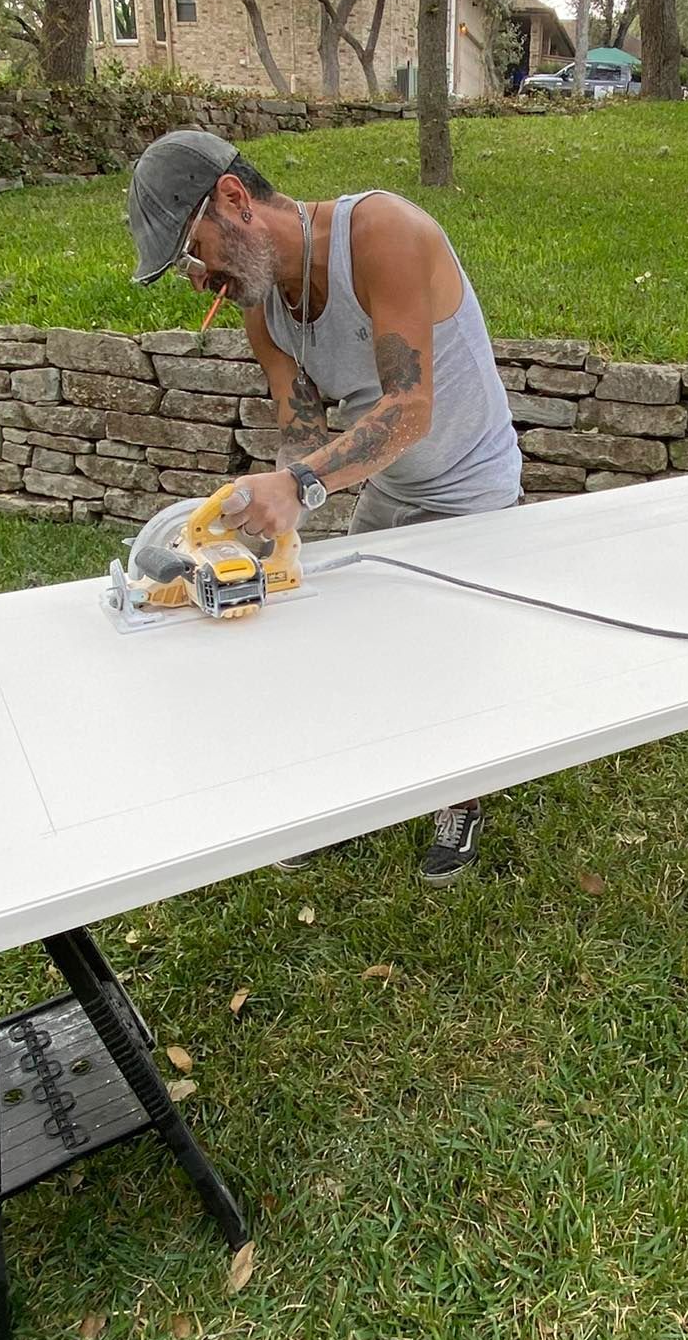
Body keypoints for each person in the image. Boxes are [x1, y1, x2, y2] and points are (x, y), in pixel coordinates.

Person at [126, 127, 522, 885]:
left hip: (474, 486)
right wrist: (271, 507)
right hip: (394, 486)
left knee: (450, 654)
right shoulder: (261, 309)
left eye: (190, 253)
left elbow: (410, 412)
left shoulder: (384, 234)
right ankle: (349, 799)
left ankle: (461, 795)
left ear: (234, 200)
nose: (197, 280)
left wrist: (303, 484)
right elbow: (301, 430)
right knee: (346, 640)